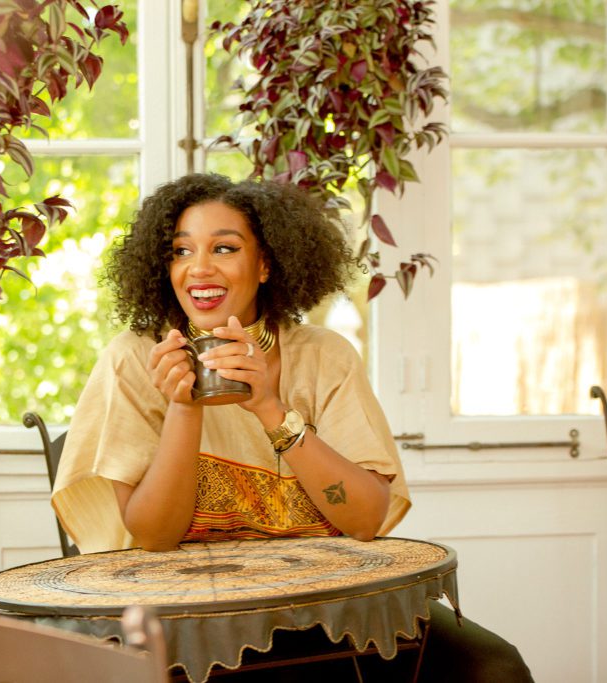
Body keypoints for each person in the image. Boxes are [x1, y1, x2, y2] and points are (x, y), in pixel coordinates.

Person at [51, 173, 532, 682]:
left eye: (224, 248)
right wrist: (185, 407)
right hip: (188, 619)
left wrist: (270, 409)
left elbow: (366, 520)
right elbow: (154, 536)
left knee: (495, 670)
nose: (199, 268)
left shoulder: (324, 356)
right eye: (180, 251)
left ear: (264, 265)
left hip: (330, 609)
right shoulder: (134, 360)